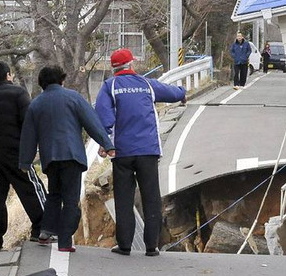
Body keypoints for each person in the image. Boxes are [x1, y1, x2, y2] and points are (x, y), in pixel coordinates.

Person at [94, 48, 187, 257]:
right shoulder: (146, 84)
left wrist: (104, 141)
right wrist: (182, 93)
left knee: (124, 198)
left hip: (122, 152)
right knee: (151, 197)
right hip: (148, 150)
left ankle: (125, 245)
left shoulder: (110, 86)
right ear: (131, 65)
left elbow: (104, 117)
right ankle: (151, 246)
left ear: (114, 68)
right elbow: (171, 92)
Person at [19, 65, 114, 252]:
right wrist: (107, 144)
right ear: (61, 80)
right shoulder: (73, 98)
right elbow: (91, 122)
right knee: (70, 199)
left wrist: (25, 161)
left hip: (50, 158)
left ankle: (45, 232)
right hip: (72, 156)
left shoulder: (36, 104)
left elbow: (28, 136)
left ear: (42, 83)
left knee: (54, 195)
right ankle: (64, 242)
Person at [0, 62, 47, 254]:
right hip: (15, 151)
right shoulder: (18, 93)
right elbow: (28, 122)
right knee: (29, 187)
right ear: (8, 75)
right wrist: (29, 149)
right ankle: (44, 227)